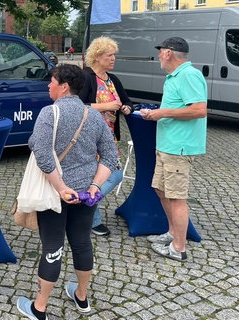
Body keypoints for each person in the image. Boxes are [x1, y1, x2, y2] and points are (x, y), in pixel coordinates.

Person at [16, 64, 118, 320]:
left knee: (53, 246)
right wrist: (95, 186)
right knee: (82, 243)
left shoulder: (49, 113)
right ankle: (82, 297)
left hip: (55, 194)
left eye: (51, 81)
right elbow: (110, 156)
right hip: (86, 194)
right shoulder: (93, 115)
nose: (48, 85)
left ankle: (39, 308)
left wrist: (61, 188)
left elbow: (42, 156)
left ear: (63, 86)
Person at [141, 37, 207, 262]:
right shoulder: (174, 77)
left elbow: (199, 110)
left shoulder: (189, 75)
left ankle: (179, 248)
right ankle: (172, 233)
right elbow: (180, 107)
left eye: (160, 52)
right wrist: (158, 113)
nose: (158, 56)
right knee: (162, 191)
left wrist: (161, 113)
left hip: (179, 148)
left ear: (168, 53)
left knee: (177, 198)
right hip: (167, 145)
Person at [79, 36, 133, 237]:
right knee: (99, 176)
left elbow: (127, 101)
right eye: (110, 55)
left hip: (110, 138)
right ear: (97, 56)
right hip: (90, 139)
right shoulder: (85, 77)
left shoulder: (113, 80)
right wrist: (106, 106)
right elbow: (77, 105)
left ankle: (87, 204)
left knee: (115, 174)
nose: (113, 59)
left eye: (114, 55)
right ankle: (92, 217)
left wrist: (127, 107)